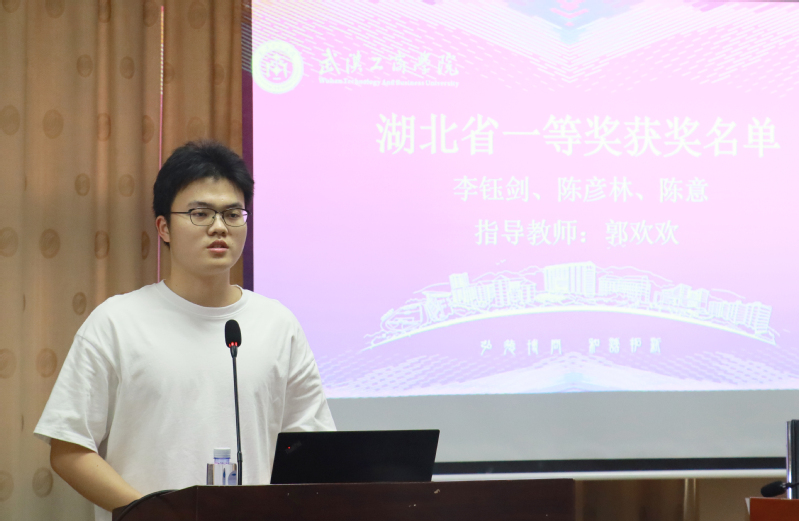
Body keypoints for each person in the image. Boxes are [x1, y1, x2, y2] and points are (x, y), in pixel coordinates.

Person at [34, 140, 335, 521]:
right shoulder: (116, 322)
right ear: (164, 227)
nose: (219, 227)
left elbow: (312, 447)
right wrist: (156, 513)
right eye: (200, 213)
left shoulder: (278, 324)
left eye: (232, 214)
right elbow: (69, 448)